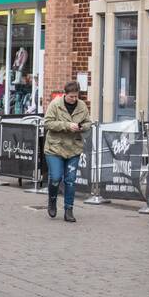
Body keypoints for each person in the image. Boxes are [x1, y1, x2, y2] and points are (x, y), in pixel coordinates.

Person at [43, 81, 91, 223]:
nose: (74, 99)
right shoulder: (55, 104)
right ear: (65, 95)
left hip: (73, 148)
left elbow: (88, 122)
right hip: (55, 148)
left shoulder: (82, 106)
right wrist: (67, 126)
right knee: (56, 177)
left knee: (70, 181)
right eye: (71, 97)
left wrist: (81, 127)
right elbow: (47, 123)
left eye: (76, 96)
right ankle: (52, 200)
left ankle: (68, 210)